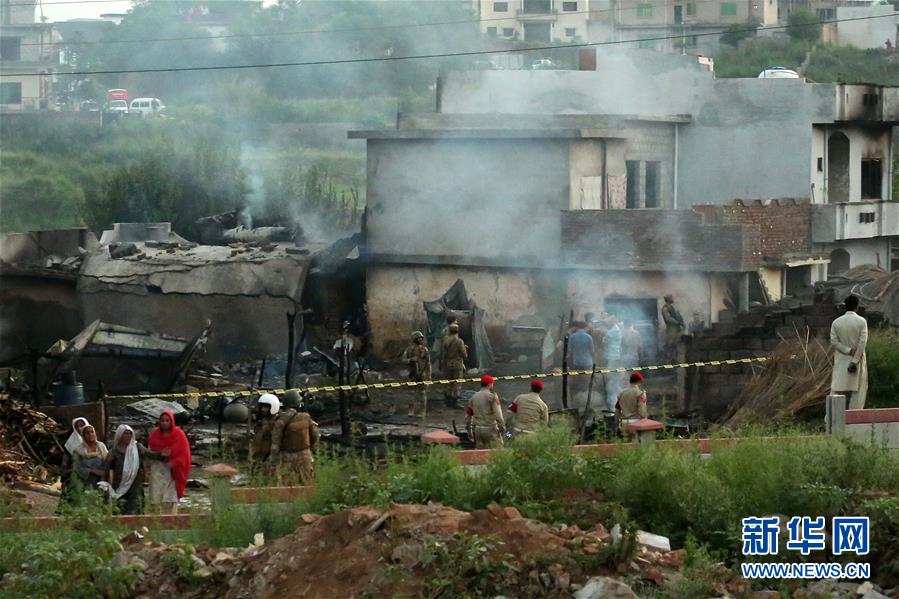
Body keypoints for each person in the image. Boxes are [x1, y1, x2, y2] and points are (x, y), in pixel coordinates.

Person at [100, 424, 167, 515]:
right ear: (120, 435)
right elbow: (106, 468)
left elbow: (150, 454)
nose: (128, 436)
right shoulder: (114, 452)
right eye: (125, 434)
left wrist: (161, 455)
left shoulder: (137, 448)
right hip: (120, 485)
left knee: (136, 507)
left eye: (129, 434)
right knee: (121, 508)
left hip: (135, 484)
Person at [270, 391, 320, 484]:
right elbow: (316, 436)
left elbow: (275, 444)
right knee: (308, 483)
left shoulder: (281, 420)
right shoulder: (306, 417)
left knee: (290, 486)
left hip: (287, 457)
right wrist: (313, 452)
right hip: (305, 456)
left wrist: (274, 464)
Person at [148, 410, 191, 514]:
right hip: (157, 470)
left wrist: (174, 462)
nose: (164, 423)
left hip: (173, 471)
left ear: (172, 422)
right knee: (156, 499)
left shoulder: (179, 435)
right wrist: (159, 455)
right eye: (162, 420)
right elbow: (149, 452)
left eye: (167, 420)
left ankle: (171, 521)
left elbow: (185, 454)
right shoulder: (154, 435)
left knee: (170, 499)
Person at [830, 294, 869, 410]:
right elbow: (862, 344)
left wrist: (847, 350)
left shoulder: (836, 322)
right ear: (857, 307)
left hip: (841, 359)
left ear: (845, 306)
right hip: (857, 360)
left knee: (837, 387)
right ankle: (854, 417)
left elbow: (834, 342)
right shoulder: (861, 322)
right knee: (859, 390)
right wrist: (855, 360)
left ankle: (831, 417)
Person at [466, 375, 505, 448]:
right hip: (490, 429)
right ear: (490, 384)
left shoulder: (473, 397)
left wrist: (469, 430)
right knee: (498, 451)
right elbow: (498, 415)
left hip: (478, 430)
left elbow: (468, 415)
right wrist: (502, 428)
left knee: (481, 454)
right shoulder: (492, 397)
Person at [402, 331, 432, 417]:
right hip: (412, 373)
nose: (420, 340)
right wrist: (411, 360)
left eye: (421, 338)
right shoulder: (408, 350)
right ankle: (411, 410)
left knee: (422, 393)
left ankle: (422, 411)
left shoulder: (424, 350)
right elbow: (403, 360)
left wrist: (429, 375)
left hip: (422, 373)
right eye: (418, 338)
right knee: (411, 393)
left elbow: (428, 363)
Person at [72, 424, 108, 490]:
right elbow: (76, 467)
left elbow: (107, 462)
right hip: (84, 479)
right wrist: (91, 471)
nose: (90, 434)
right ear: (83, 435)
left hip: (101, 479)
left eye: (92, 432)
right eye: (87, 433)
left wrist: (104, 472)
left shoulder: (101, 446)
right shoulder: (78, 450)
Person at [440, 322, 468, 407]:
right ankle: (455, 402)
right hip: (457, 364)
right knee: (457, 383)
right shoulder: (459, 341)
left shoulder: (446, 340)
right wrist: (465, 349)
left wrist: (443, 364)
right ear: (457, 331)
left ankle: (447, 401)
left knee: (448, 382)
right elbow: (464, 355)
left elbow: (443, 354)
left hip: (448, 363)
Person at [616, 372, 648, 437]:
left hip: (624, 423)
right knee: (636, 444)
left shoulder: (622, 393)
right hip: (636, 423)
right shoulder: (640, 393)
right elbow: (642, 412)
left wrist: (617, 424)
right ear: (639, 381)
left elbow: (617, 410)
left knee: (625, 445)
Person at [252, 394, 280, 464]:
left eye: (266, 407)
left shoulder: (278, 422)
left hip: (270, 458)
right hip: (258, 456)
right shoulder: (261, 422)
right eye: (261, 406)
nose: (263, 409)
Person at [661, 295, 685, 362]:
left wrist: (681, 322)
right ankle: (669, 361)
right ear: (668, 299)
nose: (673, 299)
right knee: (670, 345)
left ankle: (674, 360)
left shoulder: (671, 307)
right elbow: (668, 318)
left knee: (675, 345)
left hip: (676, 329)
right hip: (671, 329)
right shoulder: (665, 308)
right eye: (671, 297)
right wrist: (677, 322)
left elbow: (677, 315)